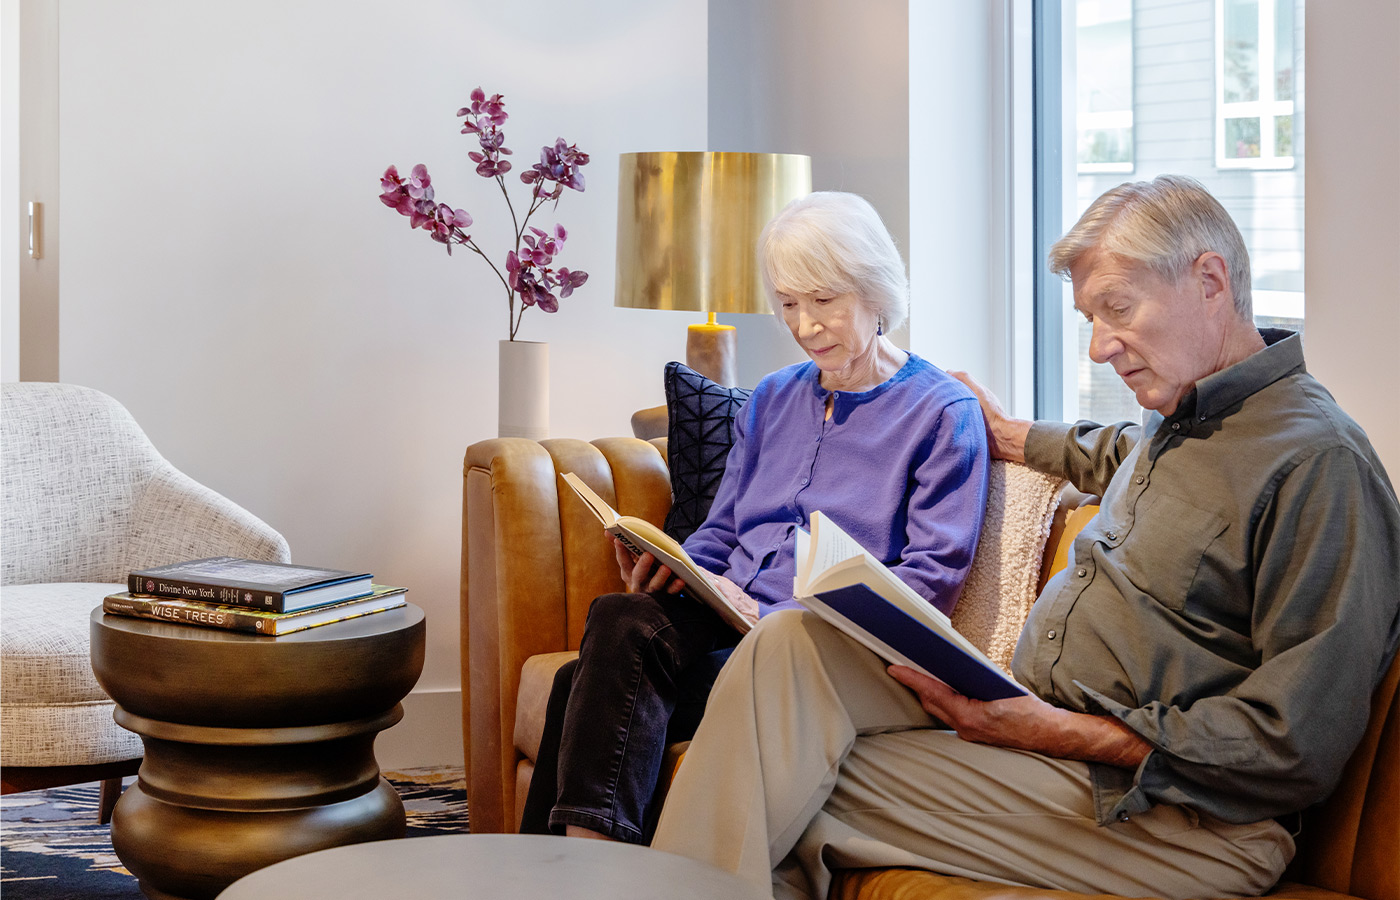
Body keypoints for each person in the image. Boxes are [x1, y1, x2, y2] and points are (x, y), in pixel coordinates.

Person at [651, 175, 1400, 899]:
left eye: (1118, 309)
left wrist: (1062, 731)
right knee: (788, 649)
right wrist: (1012, 434)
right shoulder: (1180, 420)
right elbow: (1110, 453)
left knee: (771, 770)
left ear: (1210, 281)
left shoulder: (1319, 465)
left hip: (1176, 815)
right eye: (1089, 322)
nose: (1099, 348)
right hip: (1045, 734)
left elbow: (1293, 742)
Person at [518, 192, 992, 844]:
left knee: (582, 682)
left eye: (823, 301)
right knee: (621, 617)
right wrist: (676, 568)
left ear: (875, 289)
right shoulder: (772, 398)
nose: (804, 325)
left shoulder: (941, 413)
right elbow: (724, 528)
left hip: (816, 649)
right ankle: (583, 875)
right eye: (789, 304)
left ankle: (568, 875)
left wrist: (780, 619)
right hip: (722, 619)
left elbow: (931, 581)